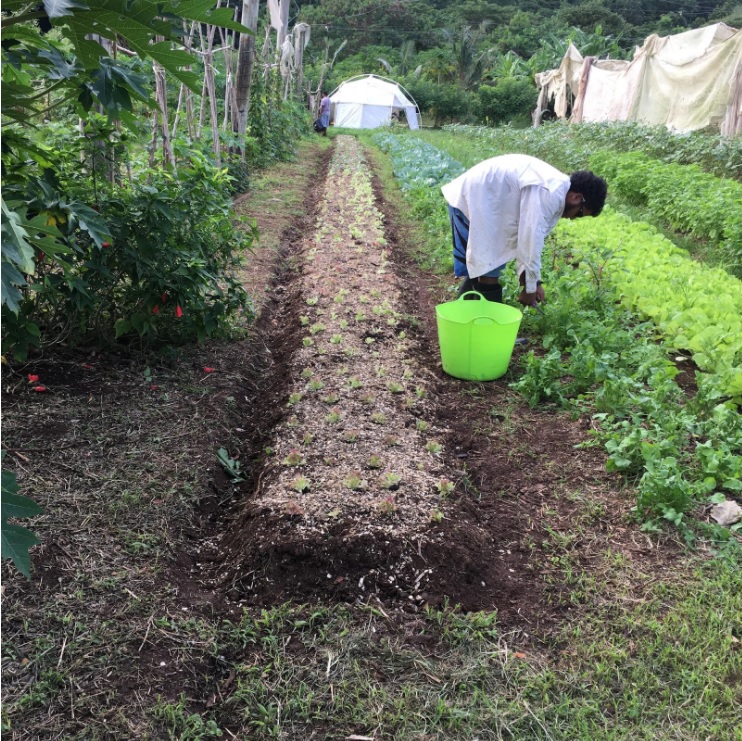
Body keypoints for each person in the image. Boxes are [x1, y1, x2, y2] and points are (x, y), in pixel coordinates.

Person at [441, 154, 607, 307]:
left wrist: (534, 283)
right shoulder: (550, 192)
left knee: (485, 266)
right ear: (576, 198)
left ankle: (469, 323)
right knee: (487, 269)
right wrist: (530, 289)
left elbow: (529, 242)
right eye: (579, 214)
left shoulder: (556, 190)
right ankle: (489, 332)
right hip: (473, 198)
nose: (572, 218)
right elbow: (530, 240)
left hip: (488, 203)